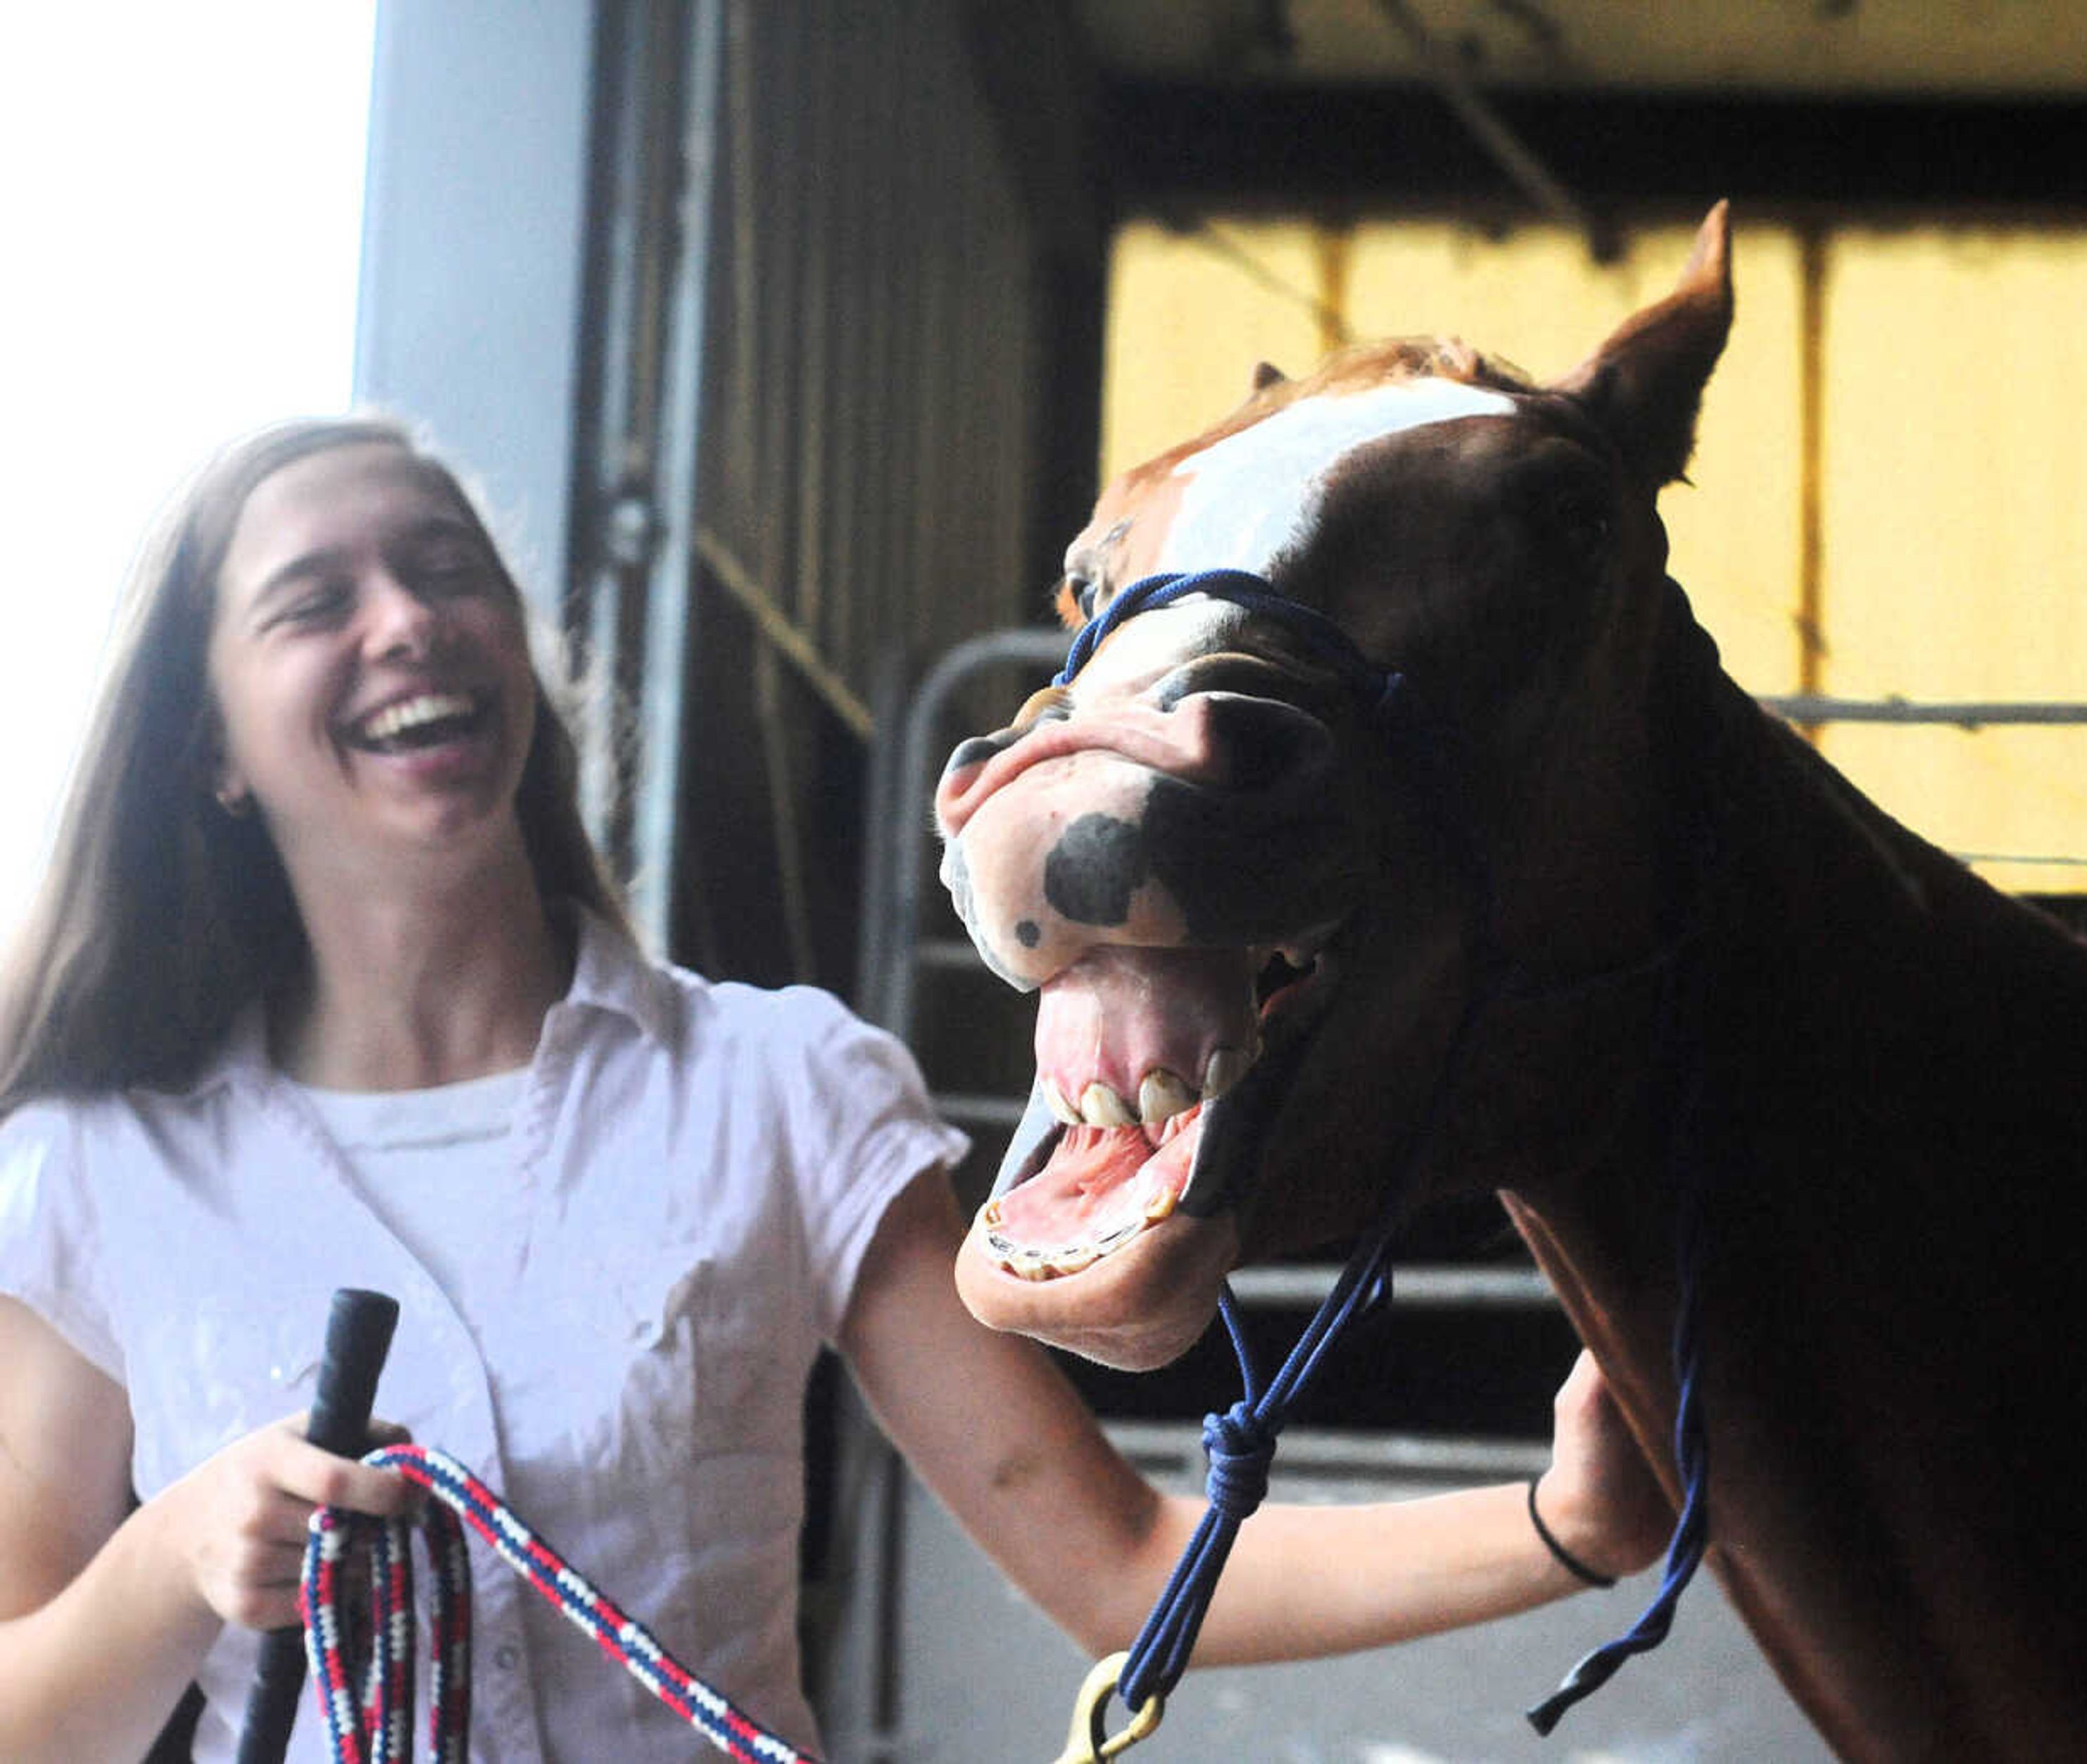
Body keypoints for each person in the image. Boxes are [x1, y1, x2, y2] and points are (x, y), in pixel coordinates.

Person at [0, 415, 1671, 1761]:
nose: (408, 619)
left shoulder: (776, 1086)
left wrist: (1562, 1522)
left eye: (447, 569)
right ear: (210, 748)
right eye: (315, 600)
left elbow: (1118, 1562)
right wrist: (179, 1551)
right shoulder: (91, 1172)